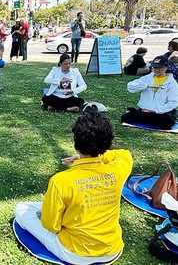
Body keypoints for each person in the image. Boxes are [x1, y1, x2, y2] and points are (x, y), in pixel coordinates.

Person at [15, 109, 133, 264]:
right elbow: (124, 154)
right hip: (111, 248)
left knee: (22, 209)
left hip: (75, 253)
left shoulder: (61, 181)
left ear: (76, 142)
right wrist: (98, 155)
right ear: (107, 143)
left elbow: (51, 226)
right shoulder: (117, 170)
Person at [121, 55, 178, 129]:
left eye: (160, 68)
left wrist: (156, 110)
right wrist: (147, 85)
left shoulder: (171, 83)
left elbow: (173, 102)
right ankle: (145, 117)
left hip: (160, 113)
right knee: (126, 117)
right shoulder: (147, 78)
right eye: (154, 68)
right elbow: (130, 86)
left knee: (167, 123)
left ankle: (146, 118)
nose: (156, 70)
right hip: (145, 111)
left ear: (166, 67)